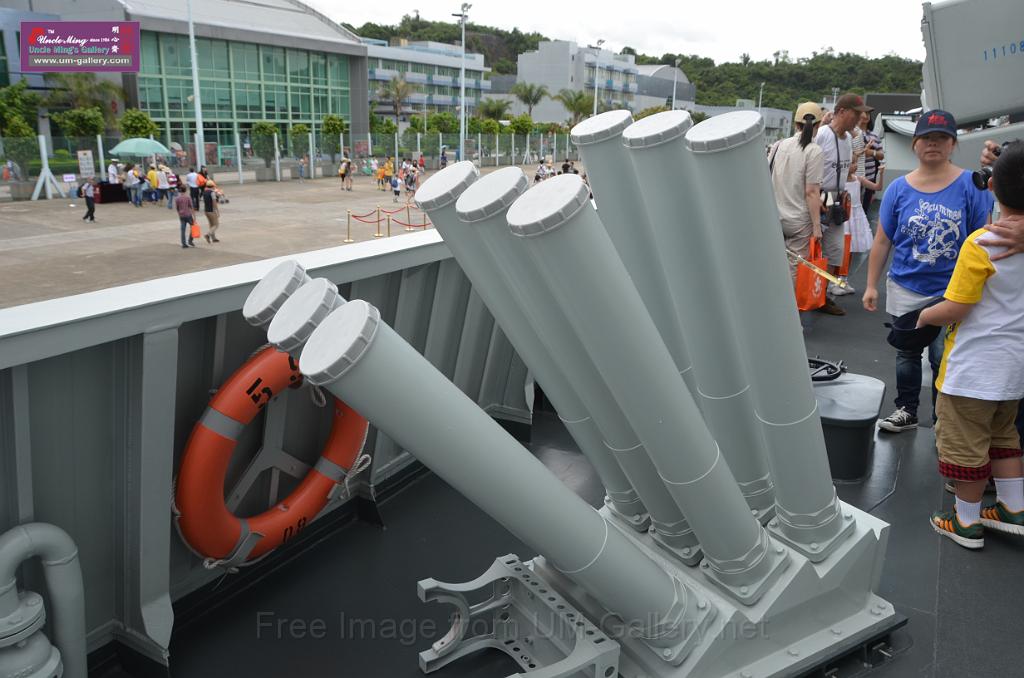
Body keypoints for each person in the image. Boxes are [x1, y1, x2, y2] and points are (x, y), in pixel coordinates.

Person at [917, 139, 1024, 548]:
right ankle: (1014, 508)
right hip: (1013, 369)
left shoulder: (982, 243)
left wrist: (924, 316)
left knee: (965, 447)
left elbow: (957, 306)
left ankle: (966, 522)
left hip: (973, 370)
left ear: (991, 186)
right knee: (1004, 437)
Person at [863, 110, 994, 433]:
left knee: (943, 357)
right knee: (907, 353)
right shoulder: (897, 189)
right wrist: (871, 285)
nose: (933, 144)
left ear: (952, 144)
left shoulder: (972, 185)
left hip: (952, 291)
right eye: (926, 139)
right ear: (914, 145)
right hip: (906, 286)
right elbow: (883, 241)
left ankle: (942, 419)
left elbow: (983, 238)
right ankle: (906, 409)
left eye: (941, 138)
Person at [815, 93, 872, 315]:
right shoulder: (822, 135)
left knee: (836, 250)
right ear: (841, 112)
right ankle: (808, 294)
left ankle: (822, 296)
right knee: (812, 249)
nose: (860, 117)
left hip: (838, 199)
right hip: (820, 197)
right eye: (856, 113)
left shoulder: (847, 139)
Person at [768, 101, 825, 286]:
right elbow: (811, 191)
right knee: (794, 267)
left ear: (795, 124)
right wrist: (817, 226)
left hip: (774, 215)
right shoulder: (814, 150)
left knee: (773, 264)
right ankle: (787, 312)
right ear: (817, 125)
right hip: (799, 220)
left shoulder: (778, 145)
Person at [174, 184, 196, 248]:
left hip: (182, 215)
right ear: (185, 190)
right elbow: (191, 207)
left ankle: (183, 243)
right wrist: (194, 216)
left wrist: (179, 214)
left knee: (183, 230)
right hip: (188, 215)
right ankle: (190, 240)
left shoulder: (177, 198)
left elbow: (177, 208)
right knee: (193, 227)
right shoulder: (188, 197)